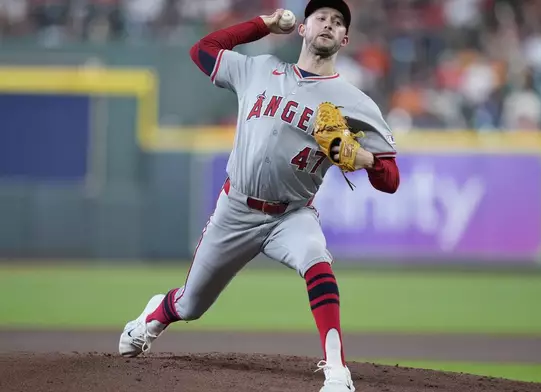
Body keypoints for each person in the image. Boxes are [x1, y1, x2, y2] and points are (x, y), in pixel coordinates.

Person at [118, 1, 400, 391]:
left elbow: (391, 180)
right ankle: (154, 316)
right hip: (236, 208)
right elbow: (201, 51)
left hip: (292, 214)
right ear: (303, 28)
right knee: (190, 305)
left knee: (317, 260)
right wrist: (262, 24)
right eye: (321, 17)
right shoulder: (259, 69)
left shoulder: (355, 102)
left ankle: (337, 372)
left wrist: (364, 156)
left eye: (338, 22)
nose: (329, 24)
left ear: (344, 39)